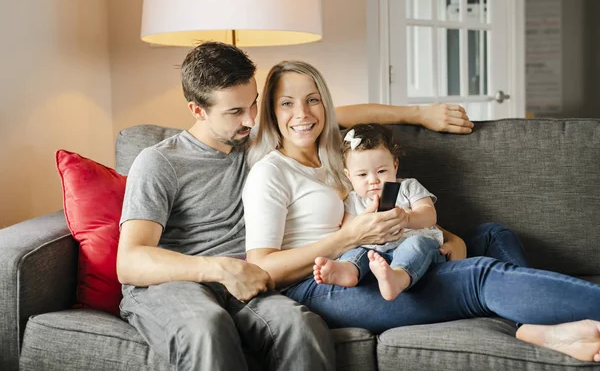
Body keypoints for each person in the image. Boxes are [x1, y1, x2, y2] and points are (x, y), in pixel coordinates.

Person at [116, 42, 475, 371]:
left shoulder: (253, 143)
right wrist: (220, 269)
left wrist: (418, 114)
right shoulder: (160, 162)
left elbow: (332, 115)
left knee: (302, 326)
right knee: (206, 327)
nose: (250, 119)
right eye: (235, 111)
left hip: (247, 283)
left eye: (254, 103)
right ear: (197, 110)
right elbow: (130, 261)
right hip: (174, 284)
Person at [242, 60, 600, 363]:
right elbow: (262, 268)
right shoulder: (271, 171)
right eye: (286, 103)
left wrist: (419, 115)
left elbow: (359, 120)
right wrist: (346, 238)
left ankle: (532, 326)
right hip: (326, 284)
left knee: (492, 234)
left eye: (313, 100)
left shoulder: (337, 149)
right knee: (478, 276)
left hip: (390, 253)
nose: (302, 114)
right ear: (271, 112)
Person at [313, 123, 446, 301]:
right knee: (357, 252)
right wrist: (363, 224)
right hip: (375, 256)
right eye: (362, 175)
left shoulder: (407, 187)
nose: (373, 181)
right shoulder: (354, 200)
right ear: (348, 175)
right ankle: (348, 270)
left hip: (413, 248)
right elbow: (347, 233)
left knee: (416, 244)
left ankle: (398, 276)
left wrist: (406, 218)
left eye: (381, 171)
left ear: (395, 166)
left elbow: (429, 214)